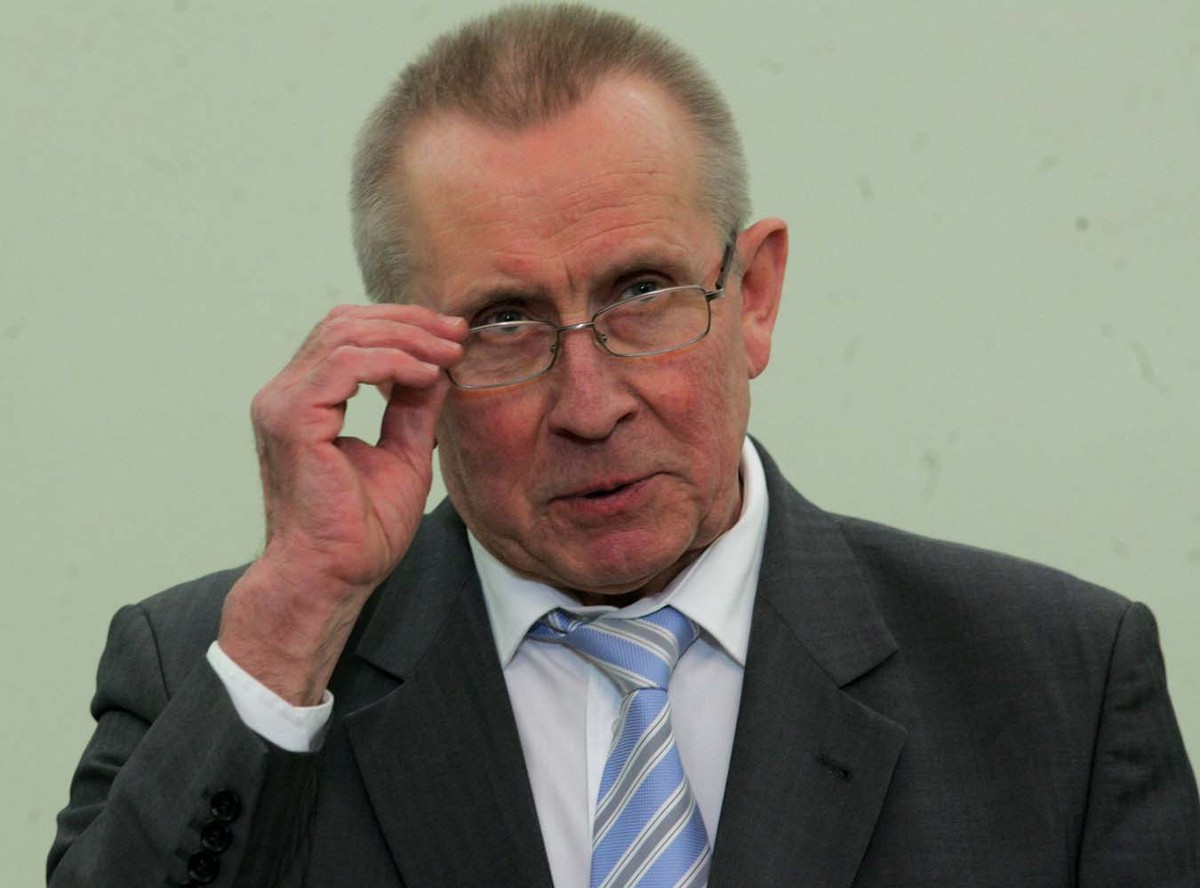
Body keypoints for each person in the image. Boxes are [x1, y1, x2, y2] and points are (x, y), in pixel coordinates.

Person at [48, 5, 1198, 887]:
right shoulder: (223, 675)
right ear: (404, 363)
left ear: (755, 297)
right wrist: (295, 622)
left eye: (643, 292)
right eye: (504, 322)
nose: (590, 406)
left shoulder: (1059, 685)